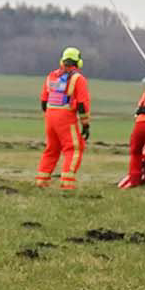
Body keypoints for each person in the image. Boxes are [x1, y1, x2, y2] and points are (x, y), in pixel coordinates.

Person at [36, 46, 91, 190]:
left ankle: (41, 180)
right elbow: (82, 104)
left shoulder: (51, 76)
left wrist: (49, 115)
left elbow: (43, 100)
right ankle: (67, 184)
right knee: (74, 148)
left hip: (50, 115)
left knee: (51, 149)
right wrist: (85, 124)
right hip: (65, 116)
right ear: (78, 62)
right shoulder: (78, 79)